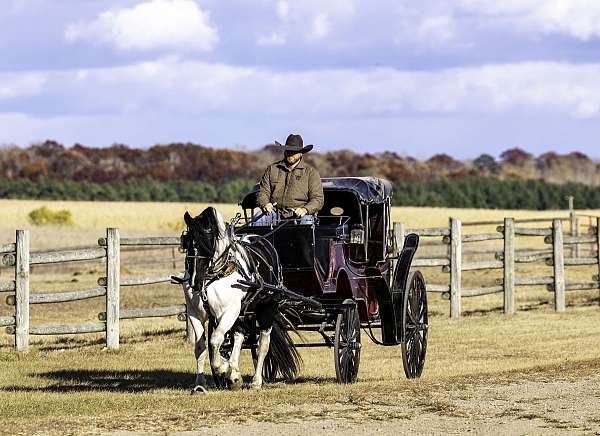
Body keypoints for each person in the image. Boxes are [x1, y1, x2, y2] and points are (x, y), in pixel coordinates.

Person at [256, 134, 324, 224]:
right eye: (288, 150)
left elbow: (318, 199)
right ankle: (257, 238)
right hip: (275, 213)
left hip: (301, 216)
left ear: (301, 153)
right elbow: (263, 192)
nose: (290, 153)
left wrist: (305, 209)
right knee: (259, 217)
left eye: (294, 151)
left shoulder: (311, 173)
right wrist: (265, 203)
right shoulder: (272, 169)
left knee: (306, 221)